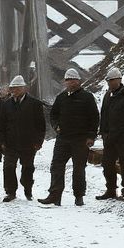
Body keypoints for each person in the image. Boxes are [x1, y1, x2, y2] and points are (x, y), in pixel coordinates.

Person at [39, 68, 99, 207]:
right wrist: (56, 127)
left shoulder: (87, 97)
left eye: (73, 79)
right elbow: (53, 115)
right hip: (63, 138)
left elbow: (94, 118)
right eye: (67, 80)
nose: (70, 82)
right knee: (56, 166)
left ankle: (79, 196)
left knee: (79, 168)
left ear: (78, 81)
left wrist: (91, 136)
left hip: (81, 139)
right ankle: (55, 195)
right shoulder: (61, 97)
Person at [0, 75, 46, 202]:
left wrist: (38, 141)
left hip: (28, 143)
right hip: (10, 143)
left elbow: (40, 125)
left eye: (17, 88)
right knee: (8, 167)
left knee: (27, 168)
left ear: (24, 88)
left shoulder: (35, 104)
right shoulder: (6, 104)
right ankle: (10, 192)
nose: (14, 91)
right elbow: (1, 124)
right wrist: (1, 141)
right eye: (12, 88)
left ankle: (27, 188)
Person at [96, 67, 124, 201]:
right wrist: (103, 132)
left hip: (123, 137)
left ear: (119, 80)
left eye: (112, 80)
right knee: (107, 163)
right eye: (108, 81)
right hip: (109, 136)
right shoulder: (108, 95)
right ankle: (110, 189)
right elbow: (104, 114)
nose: (110, 83)